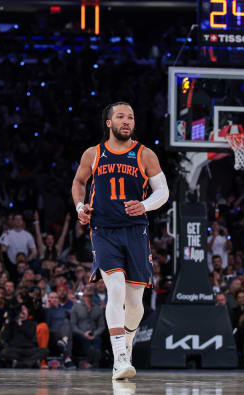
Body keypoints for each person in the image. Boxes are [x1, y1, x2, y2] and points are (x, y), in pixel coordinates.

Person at [71, 102, 168, 379]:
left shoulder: (145, 154)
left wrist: (146, 205)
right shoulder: (93, 154)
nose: (127, 121)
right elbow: (78, 182)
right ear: (109, 123)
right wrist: (80, 208)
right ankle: (119, 358)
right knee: (114, 290)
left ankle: (127, 343)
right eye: (121, 117)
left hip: (135, 231)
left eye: (131, 117)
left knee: (135, 301)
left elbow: (163, 191)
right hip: (104, 230)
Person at [70, 288, 106, 368]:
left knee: (97, 340)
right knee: (86, 342)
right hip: (80, 334)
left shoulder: (98, 308)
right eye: (87, 287)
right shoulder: (76, 307)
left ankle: (93, 363)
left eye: (91, 288)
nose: (89, 288)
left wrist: (95, 333)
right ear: (82, 292)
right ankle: (91, 362)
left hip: (94, 334)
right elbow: (73, 325)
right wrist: (83, 334)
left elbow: (101, 326)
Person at [46, 291, 74, 368]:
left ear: (58, 299)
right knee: (67, 332)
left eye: (56, 297)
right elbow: (46, 324)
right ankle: (68, 359)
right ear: (48, 299)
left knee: (67, 322)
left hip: (63, 331)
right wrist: (47, 308)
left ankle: (64, 341)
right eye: (51, 298)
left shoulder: (64, 310)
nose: (54, 299)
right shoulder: (46, 310)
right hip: (52, 332)